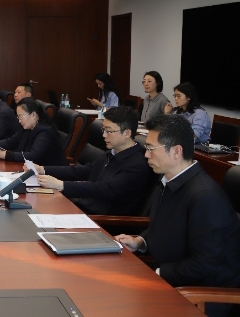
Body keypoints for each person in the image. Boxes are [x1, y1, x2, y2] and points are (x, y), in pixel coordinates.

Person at [115, 115, 240, 317]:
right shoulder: (168, 181)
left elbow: (207, 264)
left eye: (151, 148)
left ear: (176, 151)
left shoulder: (205, 197)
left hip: (200, 296)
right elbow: (167, 228)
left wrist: (158, 273)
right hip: (171, 279)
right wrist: (141, 241)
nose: (146, 155)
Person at [33, 106, 154, 216]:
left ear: (127, 133)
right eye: (103, 130)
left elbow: (105, 189)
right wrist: (43, 169)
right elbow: (84, 171)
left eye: (109, 131)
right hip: (83, 207)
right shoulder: (111, 153)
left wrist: (62, 185)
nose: (104, 135)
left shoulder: (137, 165)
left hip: (103, 220)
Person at [0, 98, 67, 166]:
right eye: (18, 117)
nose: (19, 121)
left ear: (34, 115)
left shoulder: (45, 132)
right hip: (32, 170)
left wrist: (2, 154)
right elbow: (12, 141)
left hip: (52, 174)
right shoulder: (27, 126)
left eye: (21, 116)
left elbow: (33, 156)